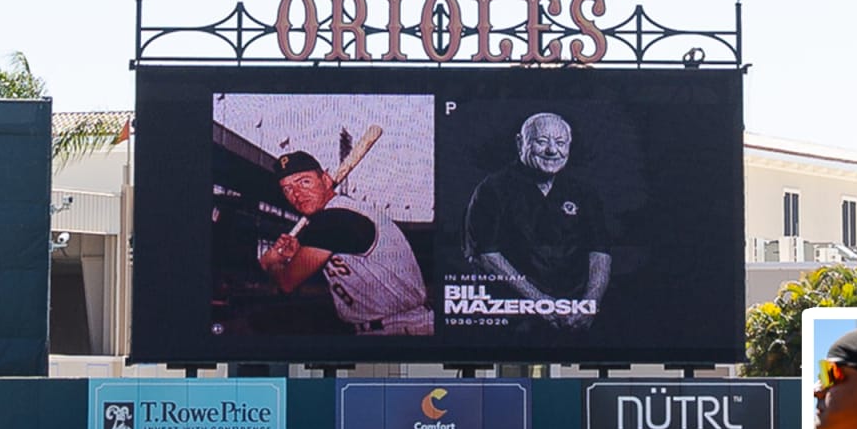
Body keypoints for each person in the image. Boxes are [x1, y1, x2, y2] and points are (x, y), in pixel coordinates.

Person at [462, 112, 611, 332]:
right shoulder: (492, 190)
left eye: (560, 143)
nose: (552, 150)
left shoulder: (583, 192)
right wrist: (538, 302)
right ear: (521, 143)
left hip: (574, 318)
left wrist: (590, 305)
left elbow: (600, 253)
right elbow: (485, 256)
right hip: (512, 318)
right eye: (541, 142)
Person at [258, 150, 432, 335]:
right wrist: (300, 253)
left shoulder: (333, 219)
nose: (297, 194)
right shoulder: (344, 212)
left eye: (304, 182)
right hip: (401, 325)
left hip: (400, 330)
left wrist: (272, 263)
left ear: (325, 180)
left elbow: (286, 282)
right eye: (288, 189)